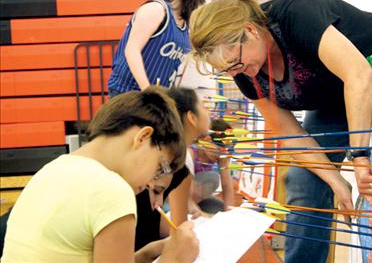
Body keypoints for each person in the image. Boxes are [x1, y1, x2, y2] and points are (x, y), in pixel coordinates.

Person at [188, 0, 372, 262]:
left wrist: (360, 158)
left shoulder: (296, 15)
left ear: (250, 30)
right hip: (335, 98)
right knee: (304, 181)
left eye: (235, 63)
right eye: (226, 70)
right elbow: (289, 132)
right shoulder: (245, 72)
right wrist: (336, 182)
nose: (235, 73)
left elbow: (359, 76)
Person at [1, 88, 199, 263]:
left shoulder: (52, 169)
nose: (149, 183)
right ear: (143, 137)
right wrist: (175, 259)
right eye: (160, 167)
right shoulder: (113, 190)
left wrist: (144, 255)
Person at [135, 87, 211, 249]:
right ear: (192, 117)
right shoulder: (178, 165)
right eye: (203, 106)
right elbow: (178, 230)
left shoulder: (178, 163)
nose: (208, 111)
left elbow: (174, 226)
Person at [107, 0, 206, 95]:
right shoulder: (157, 9)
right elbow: (132, 50)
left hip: (158, 96)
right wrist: (147, 90)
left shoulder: (185, 26)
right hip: (127, 91)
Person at [191, 118, 235, 213]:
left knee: (221, 208)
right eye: (218, 150)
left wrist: (229, 212)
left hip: (199, 198)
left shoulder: (221, 157)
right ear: (207, 140)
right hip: (182, 196)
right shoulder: (191, 152)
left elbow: (227, 184)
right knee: (212, 177)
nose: (220, 155)